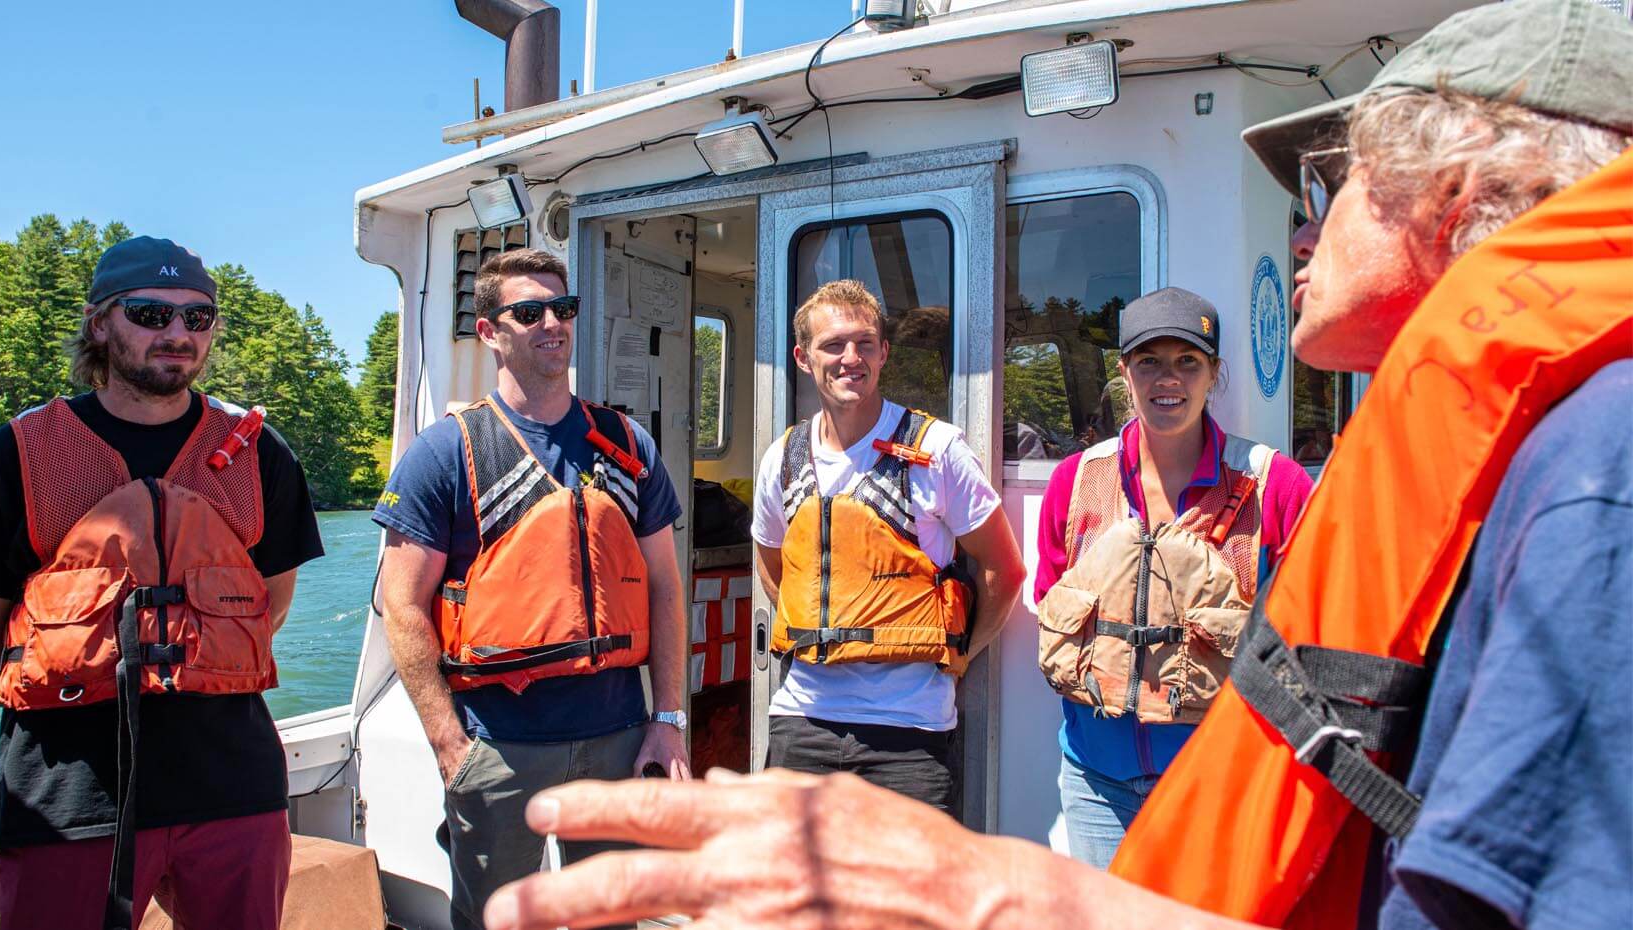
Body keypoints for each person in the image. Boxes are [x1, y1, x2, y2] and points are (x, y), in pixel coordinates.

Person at [474, 2, 1632, 928]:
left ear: (1459, 192)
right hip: (925, 726)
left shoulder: (1596, 469)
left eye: (1326, 187)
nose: (1301, 230)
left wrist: (989, 891)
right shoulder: (1537, 454)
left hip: (945, 719)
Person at [0, 236, 323, 929]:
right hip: (68, 799)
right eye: (150, 314)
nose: (177, 334)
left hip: (235, 788)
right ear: (99, 322)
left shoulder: (259, 454)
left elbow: (269, 607)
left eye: (197, 319)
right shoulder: (18, 455)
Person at [373, 248, 690, 930]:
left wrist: (667, 719)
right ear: (489, 331)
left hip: (615, 736)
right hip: (498, 749)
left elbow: (665, 586)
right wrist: (449, 746)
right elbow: (398, 603)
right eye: (529, 311)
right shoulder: (445, 452)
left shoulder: (624, 443)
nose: (553, 323)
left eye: (563, 308)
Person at [1034, 287, 1311, 867]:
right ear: (1124, 373)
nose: (1170, 379)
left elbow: (1311, 624)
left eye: (1189, 361)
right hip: (1095, 786)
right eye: (1149, 361)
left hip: (1220, 783)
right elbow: (1049, 602)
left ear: (1214, 373)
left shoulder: (1273, 484)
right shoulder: (1076, 481)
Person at [751, 279, 1025, 814]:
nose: (850, 358)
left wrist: (962, 653)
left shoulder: (937, 450)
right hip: (801, 723)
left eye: (865, 344)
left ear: (883, 354)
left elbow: (1005, 569)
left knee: (905, 897)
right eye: (833, 345)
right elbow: (773, 566)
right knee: (795, 893)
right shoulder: (782, 458)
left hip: (910, 732)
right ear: (803, 358)